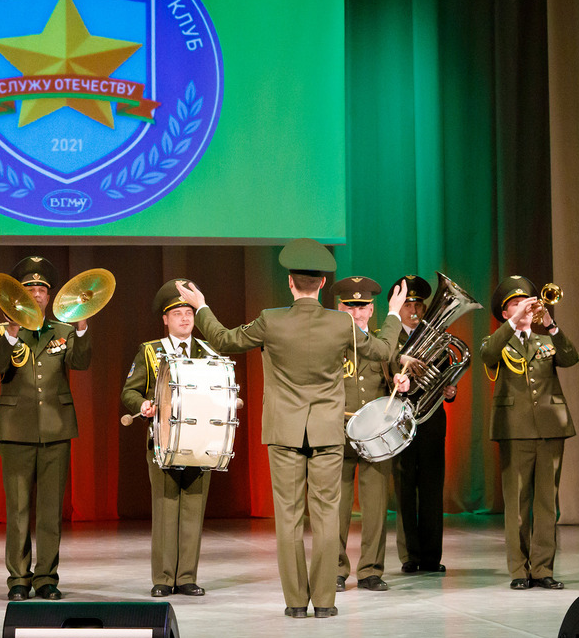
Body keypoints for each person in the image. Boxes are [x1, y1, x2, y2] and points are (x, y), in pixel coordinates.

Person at [176, 239, 405, 618]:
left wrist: (201, 306)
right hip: (328, 432)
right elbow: (382, 351)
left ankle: (297, 602)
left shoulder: (271, 319)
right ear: (322, 284)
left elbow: (222, 339)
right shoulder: (342, 323)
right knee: (327, 515)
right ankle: (325, 602)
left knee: (289, 517)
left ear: (290, 283)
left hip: (284, 432)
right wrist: (393, 313)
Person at [0, 256, 92, 601]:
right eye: (29, 289)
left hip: (56, 429)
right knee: (17, 510)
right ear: (18, 295)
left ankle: (46, 577)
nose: (36, 294)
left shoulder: (62, 330)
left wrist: (81, 326)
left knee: (50, 510)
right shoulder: (3, 331)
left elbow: (81, 362)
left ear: (49, 297)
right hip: (16, 430)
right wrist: (12, 333)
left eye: (42, 290)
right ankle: (19, 579)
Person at [479, 276, 578, 590]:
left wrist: (550, 323)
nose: (523, 308)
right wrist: (513, 323)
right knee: (518, 504)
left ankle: (543, 569)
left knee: (547, 504)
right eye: (515, 304)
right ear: (504, 313)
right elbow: (488, 355)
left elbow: (571, 358)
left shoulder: (546, 340)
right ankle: (519, 571)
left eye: (526, 302)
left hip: (550, 427)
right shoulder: (497, 340)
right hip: (515, 429)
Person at [121, 279, 213, 598]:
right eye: (177, 314)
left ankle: (186, 577)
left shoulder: (207, 351)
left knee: (193, 509)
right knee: (165, 507)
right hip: (162, 440)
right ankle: (163, 577)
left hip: (200, 441)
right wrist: (142, 405)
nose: (185, 319)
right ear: (165, 319)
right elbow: (129, 391)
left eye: (189, 312)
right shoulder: (150, 351)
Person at [332, 276, 408, 593]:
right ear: (340, 308)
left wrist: (403, 381)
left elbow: (397, 372)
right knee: (336, 507)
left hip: (376, 434)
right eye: (350, 306)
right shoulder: (330, 342)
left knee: (376, 507)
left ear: (372, 309)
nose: (357, 312)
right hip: (338, 431)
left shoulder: (383, 342)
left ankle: (371, 571)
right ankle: (334, 570)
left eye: (362, 307)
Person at [391, 274, 457, 574]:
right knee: (405, 489)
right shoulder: (389, 339)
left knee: (432, 489)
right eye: (408, 305)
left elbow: (446, 376)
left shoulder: (438, 339)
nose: (415, 310)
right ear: (398, 307)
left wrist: (450, 390)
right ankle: (410, 555)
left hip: (431, 421)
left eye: (419, 305)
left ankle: (431, 556)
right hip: (400, 421)